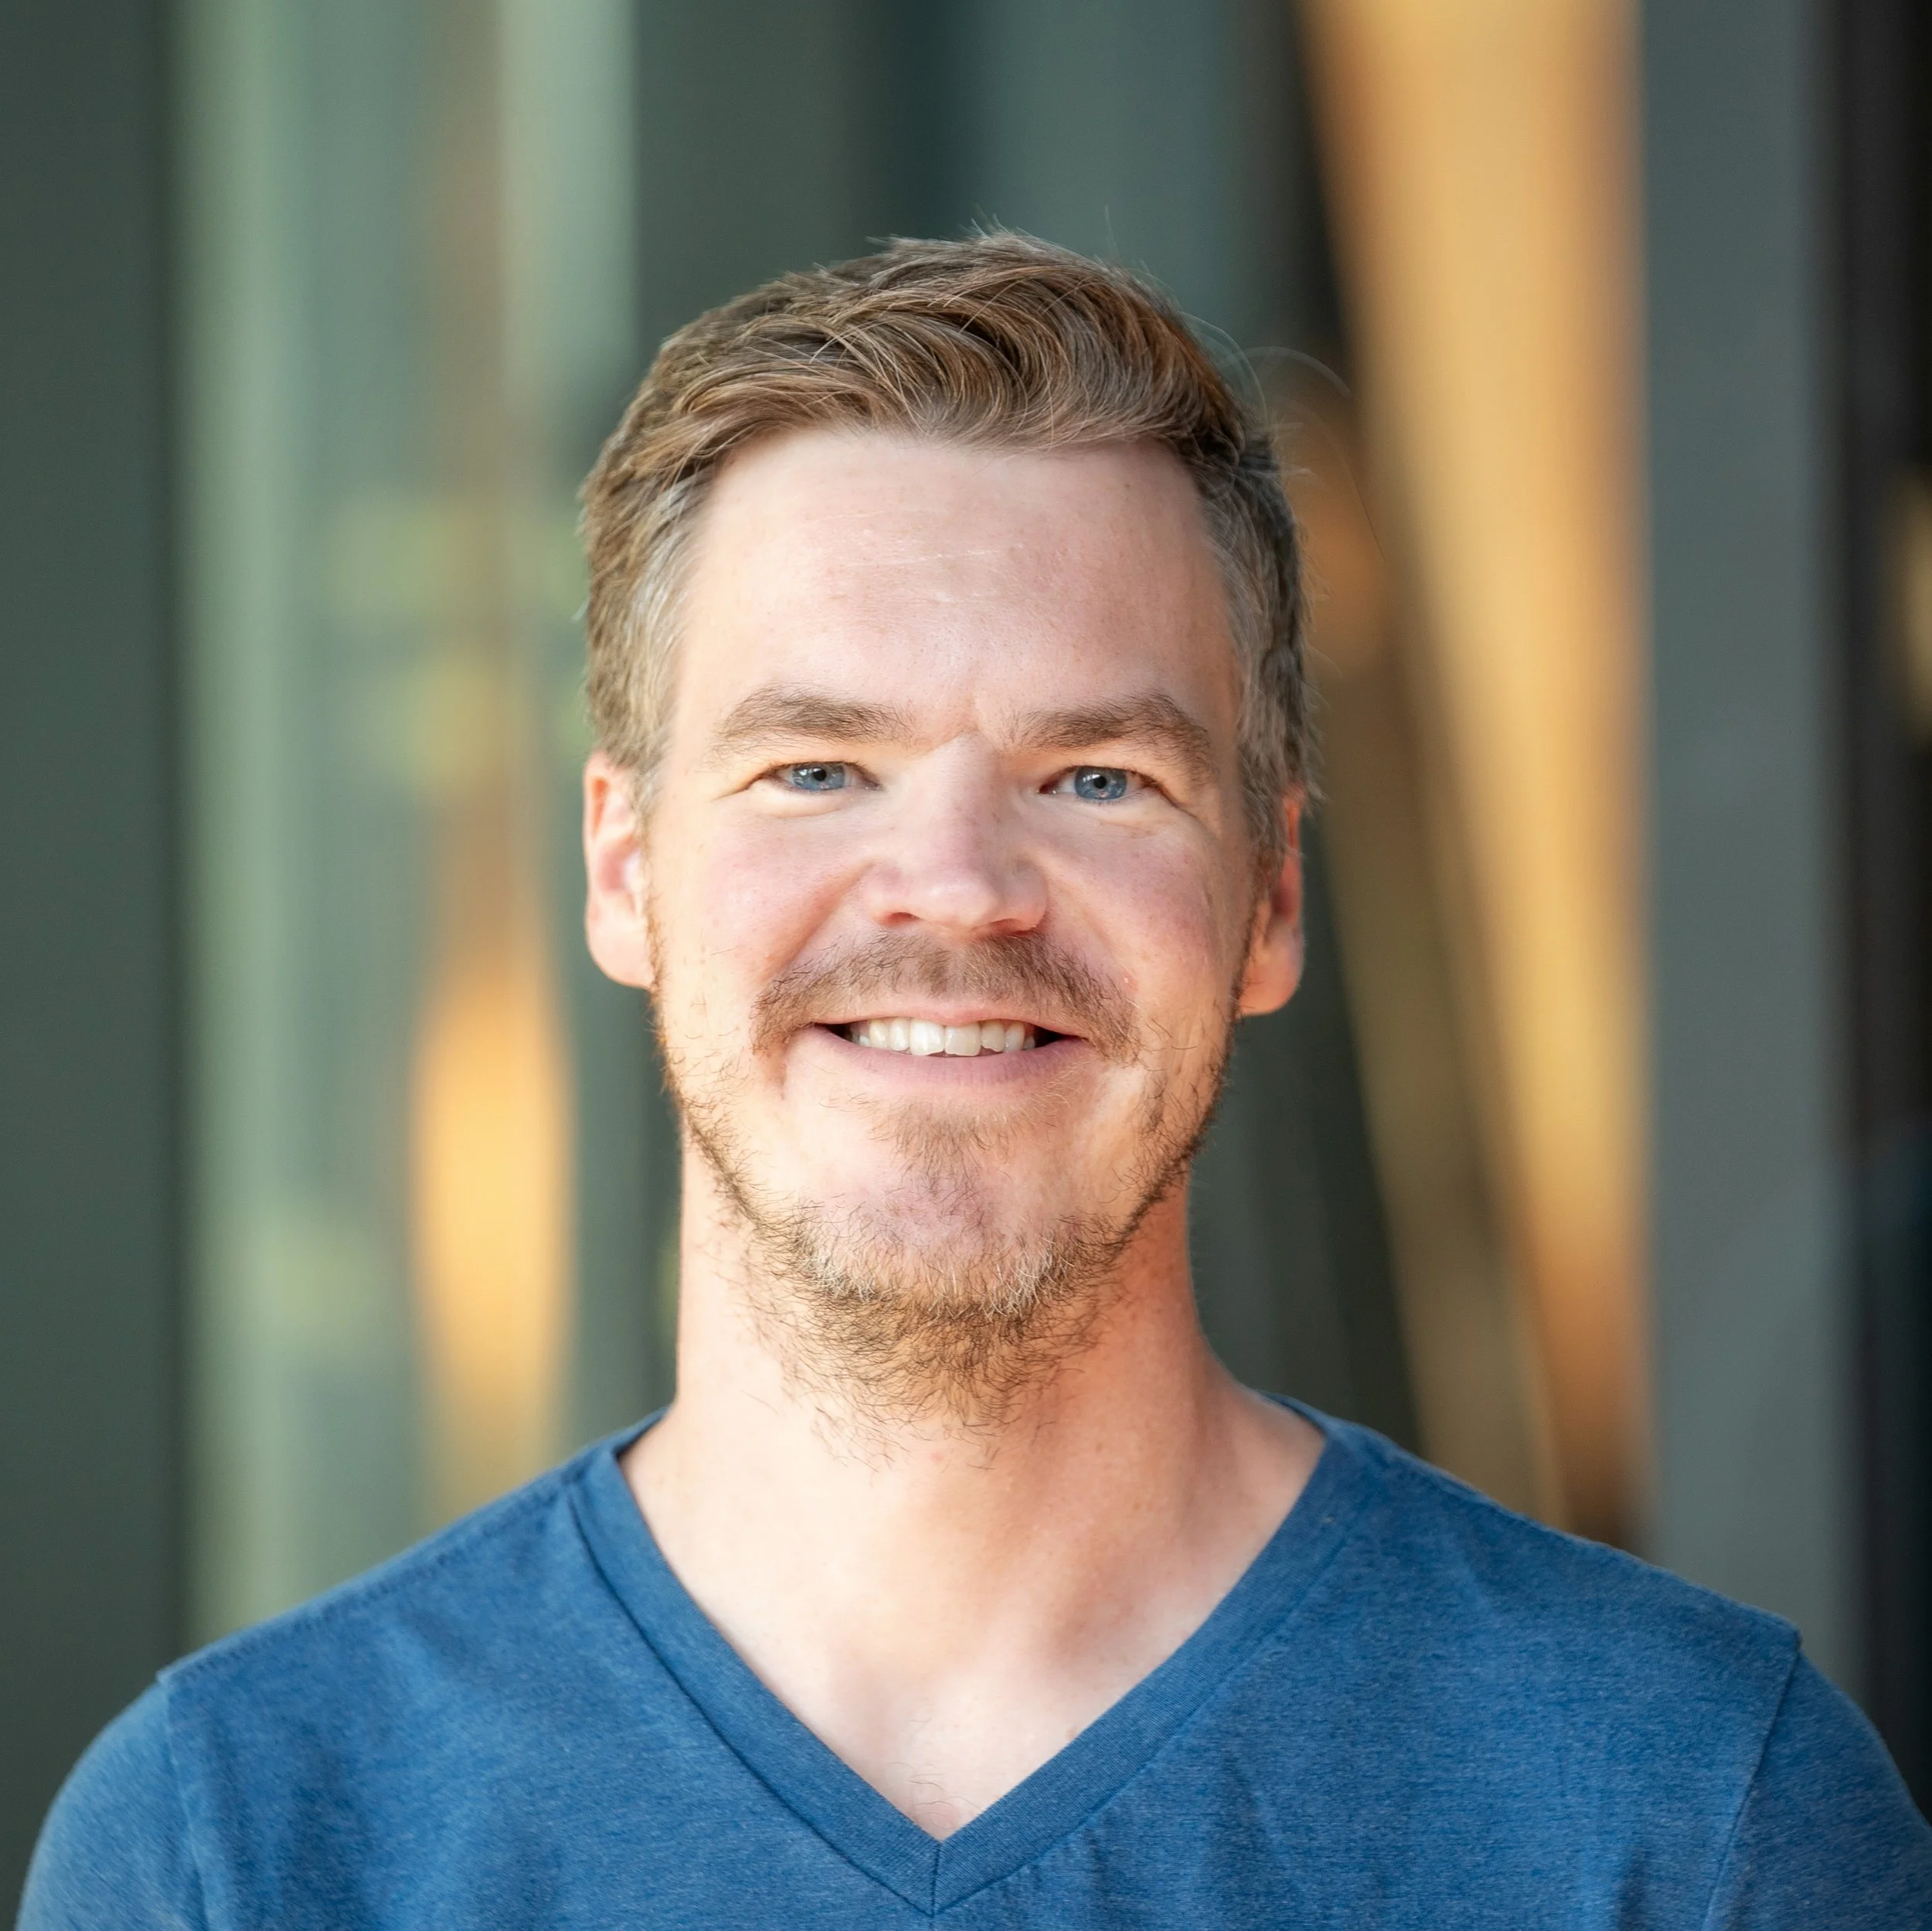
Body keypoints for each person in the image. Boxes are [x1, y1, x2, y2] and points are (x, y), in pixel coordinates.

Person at [22, 233, 1930, 1929]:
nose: (954, 883)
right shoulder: (243, 1845)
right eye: (814, 769)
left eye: (1096, 776)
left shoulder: (1692, 1821)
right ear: (623, 868)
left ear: (1267, 896)